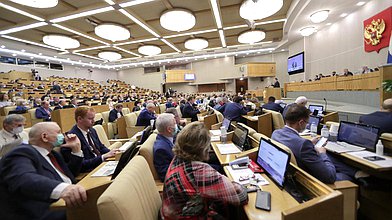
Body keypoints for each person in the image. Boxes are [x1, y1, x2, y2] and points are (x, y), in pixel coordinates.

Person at [0, 122, 86, 220]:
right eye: (58, 132)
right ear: (44, 137)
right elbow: (24, 178)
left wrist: (76, 150)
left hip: (68, 203)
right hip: (46, 211)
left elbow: (69, 176)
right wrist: (63, 189)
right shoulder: (21, 152)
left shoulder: (53, 154)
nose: (63, 135)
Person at [161, 122, 248, 219]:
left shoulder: (177, 158)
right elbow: (241, 197)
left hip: (174, 213)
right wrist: (240, 184)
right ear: (203, 148)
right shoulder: (199, 171)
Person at [272, 104, 362, 184]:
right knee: (345, 177)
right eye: (307, 122)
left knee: (331, 157)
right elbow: (329, 177)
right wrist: (323, 153)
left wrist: (310, 143)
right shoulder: (303, 144)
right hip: (310, 179)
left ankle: (356, 173)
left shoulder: (276, 133)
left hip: (293, 171)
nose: (307, 125)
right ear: (301, 123)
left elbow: (295, 145)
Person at [62, 106, 118, 172]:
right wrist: (103, 157)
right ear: (79, 119)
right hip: (89, 171)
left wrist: (113, 153)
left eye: (93, 118)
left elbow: (101, 147)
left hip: (101, 165)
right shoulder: (72, 139)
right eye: (90, 119)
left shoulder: (92, 130)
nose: (93, 121)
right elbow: (80, 164)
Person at [153, 113, 178, 182]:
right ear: (169, 129)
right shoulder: (161, 149)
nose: (176, 125)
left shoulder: (169, 138)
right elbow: (165, 174)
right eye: (175, 123)